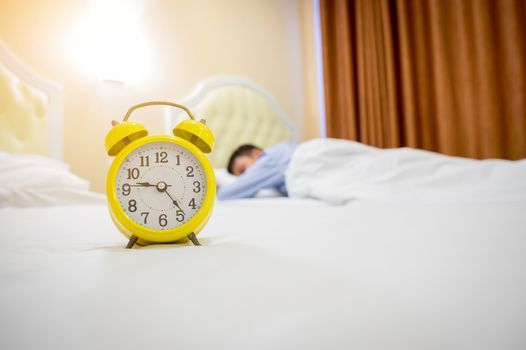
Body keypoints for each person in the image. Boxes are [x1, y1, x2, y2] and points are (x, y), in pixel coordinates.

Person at [217, 141, 297, 200]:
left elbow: (225, 194)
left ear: (256, 153)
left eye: (243, 170)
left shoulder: (268, 160)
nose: (244, 177)